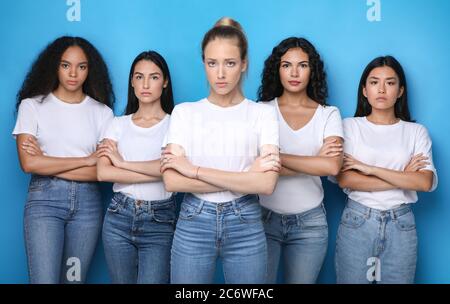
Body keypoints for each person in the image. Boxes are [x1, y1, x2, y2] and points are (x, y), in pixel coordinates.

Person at [160, 17, 280, 284]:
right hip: (194, 219)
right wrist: (247, 176)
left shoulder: (263, 114)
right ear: (204, 63)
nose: (221, 74)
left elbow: (267, 184)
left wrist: (194, 170)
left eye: (230, 63)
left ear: (244, 63)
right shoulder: (184, 113)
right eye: (212, 63)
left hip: (246, 220)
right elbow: (172, 180)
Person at [13, 36, 114, 283]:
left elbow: (102, 173)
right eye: (65, 65)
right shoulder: (32, 106)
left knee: (74, 280)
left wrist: (48, 162)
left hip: (88, 205)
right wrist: (86, 160)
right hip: (44, 202)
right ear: (54, 66)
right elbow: (29, 164)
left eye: (82, 66)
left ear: (90, 70)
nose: (73, 73)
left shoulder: (102, 113)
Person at [334, 56, 438, 284]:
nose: (381, 89)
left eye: (390, 83)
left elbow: (424, 182)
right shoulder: (349, 126)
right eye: (374, 82)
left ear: (400, 91)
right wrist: (403, 177)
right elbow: (345, 179)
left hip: (400, 224)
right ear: (364, 90)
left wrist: (368, 169)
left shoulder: (416, 132)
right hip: (358, 220)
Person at [258, 37, 344, 283]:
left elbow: (332, 166)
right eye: (286, 65)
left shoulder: (329, 114)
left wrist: (277, 158)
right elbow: (256, 168)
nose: (294, 72)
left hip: (310, 223)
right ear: (277, 69)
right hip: (263, 218)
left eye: (302, 65)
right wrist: (313, 161)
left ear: (312, 70)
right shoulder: (261, 111)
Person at [97, 51, 175, 283]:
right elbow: (103, 172)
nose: (145, 84)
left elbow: (171, 170)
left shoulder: (176, 124)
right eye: (139, 77)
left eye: (153, 77)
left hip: (160, 219)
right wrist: (156, 171)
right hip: (118, 216)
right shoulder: (117, 124)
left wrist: (122, 163)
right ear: (132, 81)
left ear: (165, 82)